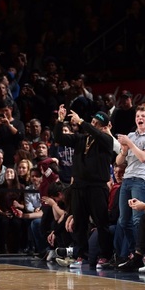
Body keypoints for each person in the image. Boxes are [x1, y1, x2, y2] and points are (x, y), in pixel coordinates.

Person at [53, 106, 114, 269]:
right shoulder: (81, 139)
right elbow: (59, 137)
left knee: (101, 223)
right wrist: (60, 121)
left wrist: (81, 121)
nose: (93, 123)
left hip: (97, 187)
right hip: (79, 187)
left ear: (105, 126)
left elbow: (98, 134)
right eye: (92, 120)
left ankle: (106, 256)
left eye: (97, 122)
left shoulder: (107, 141)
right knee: (79, 223)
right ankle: (82, 256)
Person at [115, 106, 145, 262]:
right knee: (123, 220)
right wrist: (123, 149)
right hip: (127, 179)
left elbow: (143, 157)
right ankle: (136, 252)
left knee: (138, 219)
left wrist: (130, 144)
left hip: (142, 181)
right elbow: (119, 161)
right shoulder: (131, 136)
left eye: (143, 116)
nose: (139, 118)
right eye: (137, 116)